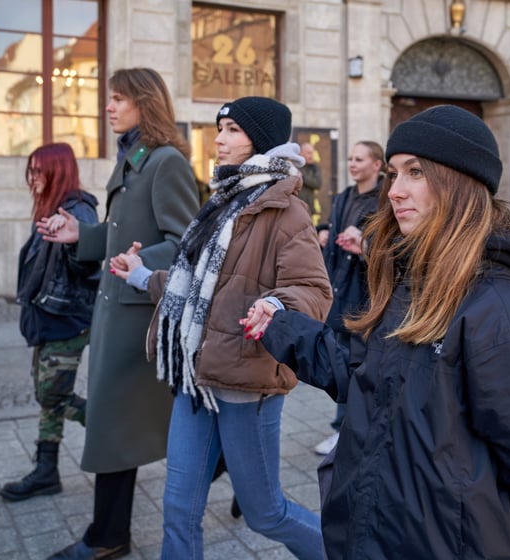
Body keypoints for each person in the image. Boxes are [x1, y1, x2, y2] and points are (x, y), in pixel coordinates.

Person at [247, 106, 510, 558]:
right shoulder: (410, 280)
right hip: (375, 532)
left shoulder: (500, 305)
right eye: (394, 173)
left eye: (416, 172)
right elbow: (364, 376)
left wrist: (464, 502)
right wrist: (285, 328)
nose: (395, 190)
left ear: (459, 183)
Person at [109, 96, 332, 559]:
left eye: (232, 129)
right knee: (178, 507)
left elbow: (313, 289)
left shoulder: (285, 210)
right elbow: (199, 288)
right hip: (196, 376)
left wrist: (276, 304)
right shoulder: (222, 202)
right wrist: (142, 275)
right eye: (220, 129)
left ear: (260, 139)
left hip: (246, 382)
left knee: (264, 512)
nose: (220, 139)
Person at [38, 68, 201, 560]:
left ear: (144, 103)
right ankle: (112, 533)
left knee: (115, 427)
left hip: (137, 321)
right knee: (123, 426)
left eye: (118, 99)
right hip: (118, 313)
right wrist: (81, 235)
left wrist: (139, 262)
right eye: (109, 99)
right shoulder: (134, 157)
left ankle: (106, 537)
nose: (108, 107)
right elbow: (121, 230)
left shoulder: (166, 161)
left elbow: (184, 243)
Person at [0, 143, 99, 503]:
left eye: (39, 170)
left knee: (51, 394)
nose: (32, 177)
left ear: (58, 171)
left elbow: (90, 265)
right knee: (49, 397)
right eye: (31, 170)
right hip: (46, 321)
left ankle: (117, 428)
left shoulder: (78, 210)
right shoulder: (48, 208)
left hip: (66, 322)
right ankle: (46, 471)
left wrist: (74, 241)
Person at [312, 140, 385, 456]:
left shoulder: (385, 200)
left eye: (359, 159)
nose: (352, 164)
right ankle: (346, 429)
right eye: (351, 158)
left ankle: (348, 430)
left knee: (359, 367)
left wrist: (365, 244)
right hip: (340, 290)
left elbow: (389, 248)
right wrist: (324, 230)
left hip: (366, 295)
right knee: (342, 364)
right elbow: (333, 224)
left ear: (377, 165)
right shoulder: (344, 196)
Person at [298, 141, 323, 223]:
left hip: (308, 208)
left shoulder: (314, 168)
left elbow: (317, 184)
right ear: (301, 153)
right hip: (296, 208)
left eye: (312, 153)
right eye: (309, 153)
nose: (311, 156)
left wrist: (302, 177)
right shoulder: (295, 166)